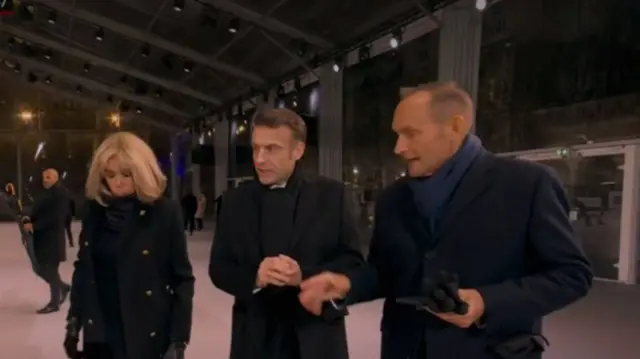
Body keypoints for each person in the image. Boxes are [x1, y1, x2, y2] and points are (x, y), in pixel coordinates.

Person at [298, 82, 593, 359]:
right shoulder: (394, 198)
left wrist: (485, 302)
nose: (398, 147)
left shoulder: (527, 184)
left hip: (492, 351)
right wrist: (348, 283)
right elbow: (387, 271)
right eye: (397, 134)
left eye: (411, 133)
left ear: (454, 126)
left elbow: (571, 275)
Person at [208, 108, 364, 359]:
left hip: (316, 337)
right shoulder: (235, 201)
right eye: (256, 148)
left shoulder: (332, 195)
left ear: (297, 151)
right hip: (255, 340)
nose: (259, 158)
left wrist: (304, 275)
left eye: (272, 149)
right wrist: (256, 277)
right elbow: (219, 268)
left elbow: (353, 263)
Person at [63, 132, 195, 359]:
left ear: (142, 171)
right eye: (110, 174)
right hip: (101, 330)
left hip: (146, 331)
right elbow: (84, 270)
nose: (117, 181)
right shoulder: (95, 211)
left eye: (126, 174)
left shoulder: (164, 212)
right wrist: (74, 321)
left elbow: (182, 279)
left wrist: (179, 339)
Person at [24, 168, 72, 314]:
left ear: (56, 178)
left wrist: (35, 225)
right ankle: (63, 288)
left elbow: (56, 218)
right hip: (43, 239)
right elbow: (39, 212)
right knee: (40, 268)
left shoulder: (60, 194)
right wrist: (28, 219)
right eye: (44, 177)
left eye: (49, 177)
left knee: (50, 269)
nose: (45, 179)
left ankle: (54, 302)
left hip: (52, 240)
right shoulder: (47, 193)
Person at [1, 182, 37, 272]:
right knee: (28, 241)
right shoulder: (12, 198)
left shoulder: (16, 199)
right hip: (22, 220)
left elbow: (23, 210)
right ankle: (35, 262)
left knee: (29, 241)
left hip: (25, 220)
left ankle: (36, 263)